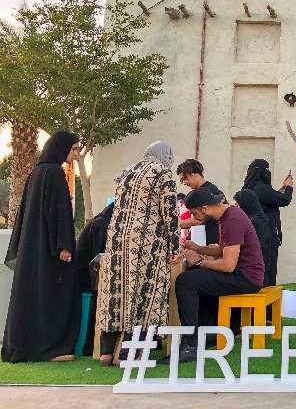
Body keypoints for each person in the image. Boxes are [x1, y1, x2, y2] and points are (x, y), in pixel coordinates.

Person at [97, 141, 181, 366]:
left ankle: (106, 353)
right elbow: (170, 213)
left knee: (117, 294)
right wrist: (175, 247)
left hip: (117, 242)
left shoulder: (127, 172)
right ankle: (129, 354)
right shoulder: (162, 173)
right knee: (144, 295)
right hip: (147, 243)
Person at [2, 131, 82, 363]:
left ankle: (27, 346)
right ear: (61, 148)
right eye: (74, 149)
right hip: (50, 251)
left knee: (34, 295)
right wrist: (64, 245)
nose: (76, 155)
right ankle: (50, 348)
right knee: (54, 294)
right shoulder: (54, 173)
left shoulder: (36, 173)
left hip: (34, 249)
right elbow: (58, 212)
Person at [162, 187, 265, 364]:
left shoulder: (232, 220)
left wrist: (199, 261)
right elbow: (224, 250)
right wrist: (198, 249)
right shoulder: (227, 215)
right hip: (244, 273)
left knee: (186, 281)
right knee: (194, 277)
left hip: (246, 278)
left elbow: (228, 265)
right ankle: (208, 332)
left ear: (205, 208)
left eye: (195, 214)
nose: (194, 218)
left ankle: (191, 345)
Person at [242, 159, 293, 286]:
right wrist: (289, 187)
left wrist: (281, 189)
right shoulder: (261, 188)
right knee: (268, 270)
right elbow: (284, 200)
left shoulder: (253, 188)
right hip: (267, 235)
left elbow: (272, 199)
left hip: (258, 234)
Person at [75, 201, 115, 357]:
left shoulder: (99, 222)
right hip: (88, 278)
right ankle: (92, 346)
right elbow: (100, 259)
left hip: (87, 275)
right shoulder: (102, 225)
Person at [176, 159, 225, 247]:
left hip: (212, 239)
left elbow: (200, 219)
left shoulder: (209, 190)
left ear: (194, 174)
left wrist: (175, 225)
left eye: (184, 179)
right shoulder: (200, 191)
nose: (184, 183)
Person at [233, 188, 273, 287]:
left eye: (238, 205)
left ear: (246, 204)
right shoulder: (260, 219)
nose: (236, 209)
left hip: (254, 273)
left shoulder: (255, 222)